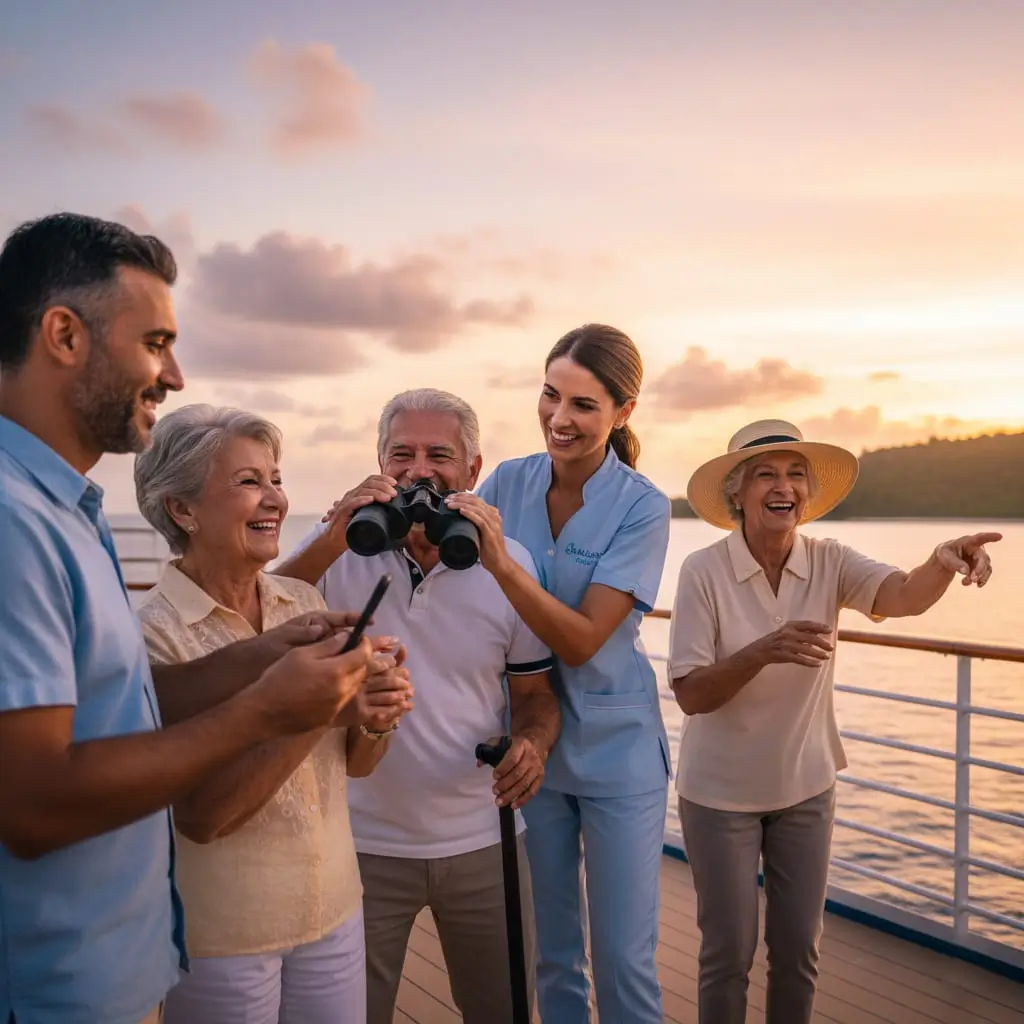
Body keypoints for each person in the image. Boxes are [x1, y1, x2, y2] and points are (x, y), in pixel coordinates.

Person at [0, 213, 373, 1024]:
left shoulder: (68, 508)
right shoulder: (12, 521)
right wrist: (267, 711)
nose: (174, 375)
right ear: (63, 334)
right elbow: (30, 806)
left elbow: (115, 712)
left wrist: (264, 653)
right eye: (155, 342)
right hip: (56, 989)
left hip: (119, 973)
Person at [667, 418, 1001, 1024]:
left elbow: (899, 595)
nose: (784, 486)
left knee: (799, 954)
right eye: (766, 474)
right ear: (735, 492)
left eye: (796, 474)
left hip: (806, 789)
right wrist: (762, 650)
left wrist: (941, 561)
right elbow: (691, 693)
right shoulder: (702, 571)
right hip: (718, 797)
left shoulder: (830, 560)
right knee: (728, 955)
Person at [275, 387, 562, 1024]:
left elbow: (536, 697)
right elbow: (259, 617)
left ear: (473, 470)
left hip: (483, 839)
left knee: (503, 1009)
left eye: (440, 454)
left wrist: (533, 745)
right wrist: (333, 534)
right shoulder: (338, 555)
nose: (419, 471)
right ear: (378, 462)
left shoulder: (510, 566)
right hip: (356, 840)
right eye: (400, 454)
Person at [133, 404, 415, 1024]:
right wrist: (322, 708)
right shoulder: (154, 637)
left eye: (277, 479)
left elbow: (358, 765)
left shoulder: (303, 603)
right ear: (182, 510)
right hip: (224, 935)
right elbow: (203, 817)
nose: (275, 500)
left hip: (336, 910)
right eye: (248, 482)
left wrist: (377, 713)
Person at [446, 323, 672, 1024]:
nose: (559, 419)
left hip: (618, 754)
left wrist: (504, 565)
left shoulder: (643, 507)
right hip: (529, 746)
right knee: (551, 954)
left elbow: (578, 642)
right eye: (550, 396)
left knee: (622, 959)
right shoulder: (507, 481)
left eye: (583, 405)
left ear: (623, 414)